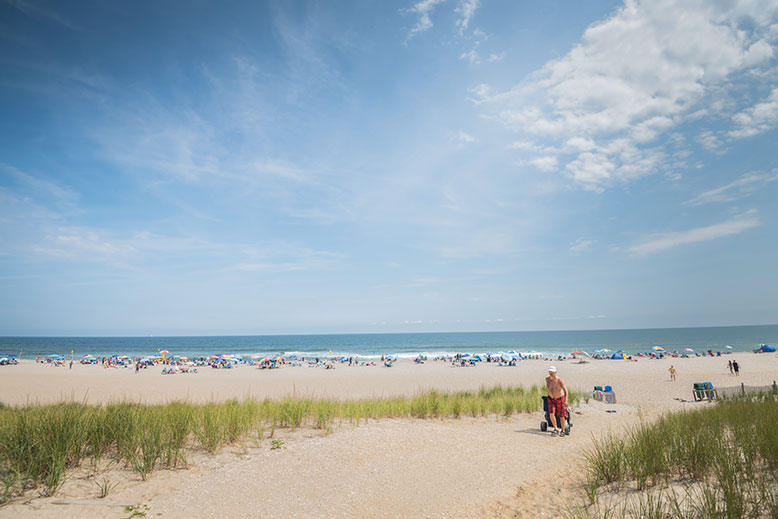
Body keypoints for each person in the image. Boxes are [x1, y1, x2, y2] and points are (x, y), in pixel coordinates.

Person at [545, 366, 568, 437]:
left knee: (562, 415)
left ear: (555, 372)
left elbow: (565, 390)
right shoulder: (547, 379)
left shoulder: (559, 381)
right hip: (550, 398)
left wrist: (566, 400)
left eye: (552, 372)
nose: (551, 374)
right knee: (551, 413)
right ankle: (555, 428)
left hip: (559, 398)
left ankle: (563, 430)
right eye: (550, 372)